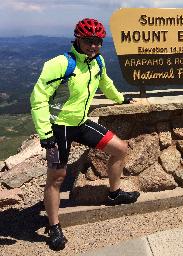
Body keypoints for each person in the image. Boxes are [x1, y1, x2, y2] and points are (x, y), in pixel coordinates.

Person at [30, 18, 140, 251]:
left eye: (98, 41)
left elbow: (105, 83)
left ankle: (114, 194)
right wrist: (45, 133)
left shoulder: (96, 62)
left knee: (120, 149)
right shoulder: (60, 64)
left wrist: (120, 99)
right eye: (88, 40)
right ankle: (54, 226)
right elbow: (38, 99)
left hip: (79, 123)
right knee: (57, 177)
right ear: (77, 39)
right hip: (58, 128)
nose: (93, 45)